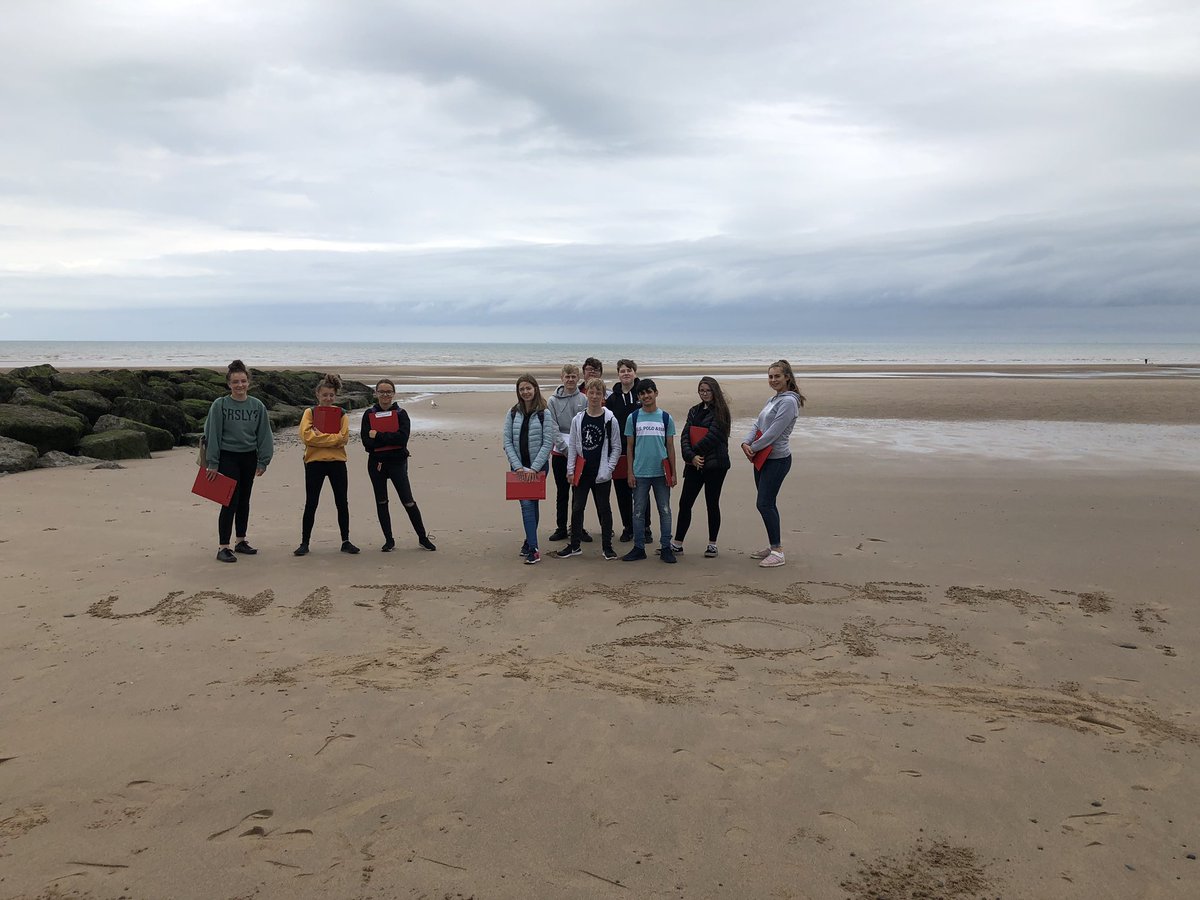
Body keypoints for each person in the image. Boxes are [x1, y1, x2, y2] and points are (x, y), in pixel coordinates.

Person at [203, 359, 273, 563]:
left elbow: (264, 435)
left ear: (248, 382)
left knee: (244, 501)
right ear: (229, 384)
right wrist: (213, 463)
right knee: (229, 501)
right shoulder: (220, 404)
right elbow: (212, 434)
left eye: (243, 381)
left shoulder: (257, 405)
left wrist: (263, 461)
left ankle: (241, 541)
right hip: (227, 456)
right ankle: (223, 546)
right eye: (235, 382)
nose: (240, 385)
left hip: (249, 457)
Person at [741, 359, 804, 568]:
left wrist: (754, 447)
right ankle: (773, 545)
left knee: (764, 503)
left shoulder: (789, 402)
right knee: (767, 503)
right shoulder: (774, 399)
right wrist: (746, 442)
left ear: (787, 377)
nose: (773, 380)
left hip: (777, 459)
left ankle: (777, 551)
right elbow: (758, 424)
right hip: (762, 457)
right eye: (770, 376)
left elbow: (774, 433)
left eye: (777, 376)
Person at [361, 379, 436, 552]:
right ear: (376, 393)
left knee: (408, 501)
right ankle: (389, 540)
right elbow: (367, 443)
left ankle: (423, 537)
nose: (385, 395)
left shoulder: (401, 414)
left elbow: (402, 439)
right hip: (376, 464)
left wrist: (378, 435)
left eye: (388, 391)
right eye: (381, 391)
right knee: (382, 501)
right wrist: (386, 438)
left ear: (394, 393)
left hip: (397, 462)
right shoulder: (369, 414)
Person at [293, 374, 358, 556]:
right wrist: (332, 438)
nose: (328, 398)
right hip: (314, 462)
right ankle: (304, 542)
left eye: (331, 395)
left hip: (337, 463)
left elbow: (343, 438)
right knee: (311, 503)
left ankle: (345, 541)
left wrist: (320, 437)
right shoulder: (310, 413)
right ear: (318, 395)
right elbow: (306, 436)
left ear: (335, 395)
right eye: (325, 395)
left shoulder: (342, 414)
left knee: (341, 502)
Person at [558, 378, 622, 560]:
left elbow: (616, 447)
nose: (594, 396)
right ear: (586, 394)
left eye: (598, 393)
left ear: (603, 396)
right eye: (591, 393)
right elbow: (573, 446)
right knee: (577, 508)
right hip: (582, 472)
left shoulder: (610, 419)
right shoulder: (578, 420)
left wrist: (609, 469)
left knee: (604, 509)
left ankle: (607, 547)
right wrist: (570, 470)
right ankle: (574, 545)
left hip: (601, 472)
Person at [672, 376, 731, 558]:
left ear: (715, 391)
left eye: (708, 390)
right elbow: (685, 436)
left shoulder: (722, 412)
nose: (704, 393)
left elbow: (714, 436)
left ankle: (712, 544)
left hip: (715, 465)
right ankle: (677, 544)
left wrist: (696, 453)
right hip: (694, 465)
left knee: (711, 503)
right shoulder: (694, 410)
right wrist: (691, 456)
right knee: (685, 503)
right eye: (701, 390)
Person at [622, 378, 677, 563]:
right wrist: (629, 472)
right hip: (640, 473)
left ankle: (666, 548)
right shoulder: (633, 418)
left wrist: (673, 472)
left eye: (649, 392)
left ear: (656, 393)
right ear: (639, 397)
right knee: (638, 511)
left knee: (665, 510)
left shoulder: (665, 418)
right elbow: (629, 448)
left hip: (661, 473)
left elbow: (670, 446)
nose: (646, 396)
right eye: (642, 393)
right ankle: (639, 547)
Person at [503, 374, 556, 564]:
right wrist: (518, 467)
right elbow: (507, 441)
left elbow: (548, 442)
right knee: (528, 505)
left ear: (535, 389)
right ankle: (530, 541)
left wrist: (533, 469)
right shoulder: (512, 413)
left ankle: (533, 549)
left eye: (528, 388)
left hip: (538, 468)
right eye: (522, 389)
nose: (525, 392)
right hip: (518, 468)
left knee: (530, 503)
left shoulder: (544, 413)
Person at [606, 357, 652, 543]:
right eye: (622, 371)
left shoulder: (643, 394)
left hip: (641, 450)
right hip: (619, 451)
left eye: (629, 370)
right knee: (622, 491)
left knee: (641, 491)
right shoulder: (612, 399)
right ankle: (628, 527)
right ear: (618, 374)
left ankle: (645, 527)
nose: (626, 373)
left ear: (634, 373)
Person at [546, 363, 590, 542]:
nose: (570, 380)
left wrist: (576, 450)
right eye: (567, 376)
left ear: (578, 378)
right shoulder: (552, 401)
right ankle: (561, 527)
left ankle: (577, 527)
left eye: (573, 376)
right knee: (562, 492)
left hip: (580, 451)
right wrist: (564, 449)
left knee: (578, 492)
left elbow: (585, 423)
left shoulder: (584, 399)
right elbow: (552, 426)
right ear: (562, 378)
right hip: (559, 453)